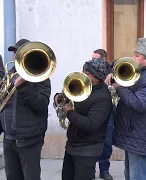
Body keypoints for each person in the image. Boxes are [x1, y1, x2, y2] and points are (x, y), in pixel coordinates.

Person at [107, 38, 146, 180]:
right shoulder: (142, 71)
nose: (133, 58)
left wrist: (119, 87)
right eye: (134, 54)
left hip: (140, 134)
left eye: (137, 55)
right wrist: (116, 77)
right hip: (135, 133)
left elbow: (140, 104)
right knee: (132, 174)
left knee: (139, 175)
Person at [0, 38, 51, 180]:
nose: (15, 55)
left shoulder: (40, 77)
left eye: (18, 52)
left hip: (29, 140)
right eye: (14, 52)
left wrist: (24, 86)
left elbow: (41, 104)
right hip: (9, 138)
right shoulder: (10, 73)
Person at [54, 59, 113, 180]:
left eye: (87, 72)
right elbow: (65, 97)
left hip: (88, 150)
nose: (83, 73)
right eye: (83, 70)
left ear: (97, 77)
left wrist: (69, 112)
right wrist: (58, 98)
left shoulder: (103, 98)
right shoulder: (83, 86)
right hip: (72, 145)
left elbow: (91, 124)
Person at [91, 49, 114, 180]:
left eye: (96, 59)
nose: (92, 61)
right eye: (92, 58)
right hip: (92, 109)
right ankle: (91, 168)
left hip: (108, 111)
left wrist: (112, 76)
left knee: (107, 142)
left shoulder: (112, 71)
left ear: (104, 60)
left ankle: (104, 169)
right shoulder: (88, 69)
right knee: (92, 140)